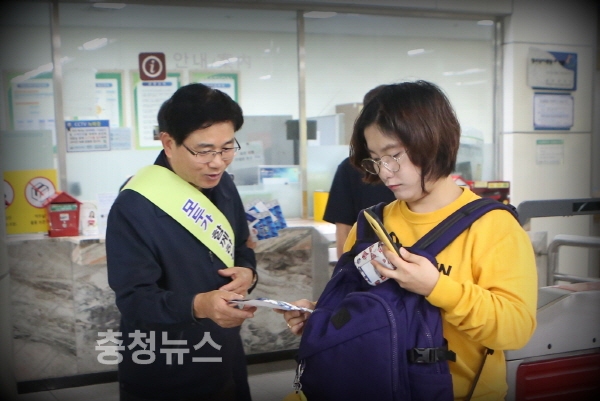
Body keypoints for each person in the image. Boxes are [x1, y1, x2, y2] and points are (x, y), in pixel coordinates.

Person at [277, 80, 537, 400]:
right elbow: (365, 311)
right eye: (375, 159)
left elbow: (515, 330)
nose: (385, 172)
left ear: (434, 140)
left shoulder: (493, 226)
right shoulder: (371, 224)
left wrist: (436, 287)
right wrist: (322, 317)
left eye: (393, 155)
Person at [106, 83, 258, 401]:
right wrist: (199, 305)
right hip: (166, 367)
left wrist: (248, 272)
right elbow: (134, 299)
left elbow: (242, 246)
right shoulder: (135, 205)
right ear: (168, 143)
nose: (218, 162)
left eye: (227, 148)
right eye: (204, 151)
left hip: (224, 354)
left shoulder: (224, 186)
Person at [323, 85, 396, 259]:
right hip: (369, 264)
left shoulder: (417, 169)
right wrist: (344, 270)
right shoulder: (351, 167)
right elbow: (344, 228)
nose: (385, 173)